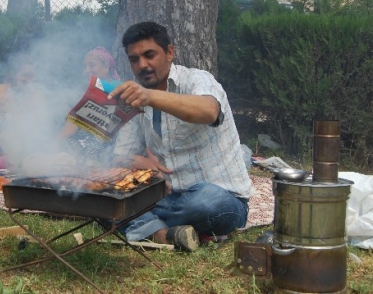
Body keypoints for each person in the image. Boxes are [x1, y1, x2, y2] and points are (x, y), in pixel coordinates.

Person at [108, 21, 252, 251]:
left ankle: (147, 228)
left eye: (149, 55)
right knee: (111, 200)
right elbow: (121, 157)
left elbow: (208, 111)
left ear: (170, 52)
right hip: (166, 196)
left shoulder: (197, 79)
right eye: (134, 59)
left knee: (206, 202)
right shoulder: (135, 96)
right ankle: (169, 236)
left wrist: (150, 97)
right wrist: (145, 165)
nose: (142, 65)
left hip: (220, 198)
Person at [56, 46, 121, 165]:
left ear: (106, 67)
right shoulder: (94, 90)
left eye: (91, 65)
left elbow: (72, 126)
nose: (87, 70)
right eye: (85, 66)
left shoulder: (115, 88)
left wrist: (51, 146)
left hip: (113, 150)